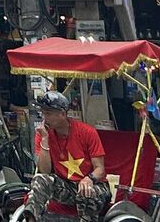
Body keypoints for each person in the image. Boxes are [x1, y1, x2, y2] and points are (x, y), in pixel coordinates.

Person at [30, 91, 110, 222]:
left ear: (62, 114)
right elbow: (44, 170)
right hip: (67, 186)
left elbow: (100, 169)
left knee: (85, 191)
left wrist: (89, 179)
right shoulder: (43, 134)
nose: (44, 118)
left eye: (48, 114)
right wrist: (45, 139)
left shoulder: (87, 132)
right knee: (40, 179)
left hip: (94, 185)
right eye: (43, 113)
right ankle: (32, 219)